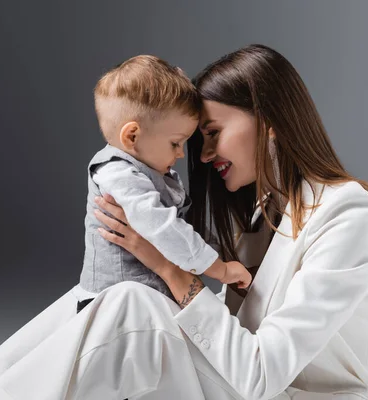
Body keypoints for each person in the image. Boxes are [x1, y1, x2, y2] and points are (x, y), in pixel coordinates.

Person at [0, 44, 368, 400]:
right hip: (249, 387)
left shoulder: (348, 215)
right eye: (195, 140)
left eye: (213, 134)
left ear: (270, 121)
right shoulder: (261, 214)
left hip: (289, 394)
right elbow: (232, 342)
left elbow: (259, 374)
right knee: (102, 298)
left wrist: (167, 268)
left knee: (132, 305)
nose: (201, 155)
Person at [75, 54, 251, 312]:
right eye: (175, 143)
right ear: (132, 135)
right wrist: (220, 270)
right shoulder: (117, 173)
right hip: (112, 307)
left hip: (142, 301)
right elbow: (163, 228)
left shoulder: (150, 174)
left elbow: (184, 227)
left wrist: (224, 252)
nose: (181, 154)